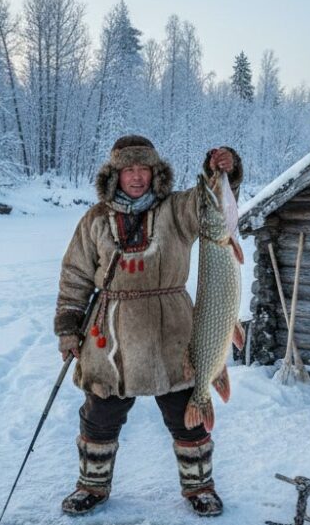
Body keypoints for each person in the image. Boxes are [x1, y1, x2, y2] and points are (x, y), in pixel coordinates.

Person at [53, 135, 241, 517]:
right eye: (128, 170)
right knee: (99, 415)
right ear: (115, 174)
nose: (136, 177)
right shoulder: (94, 220)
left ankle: (199, 486)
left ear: (155, 173)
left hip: (171, 328)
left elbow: (212, 204)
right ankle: (92, 485)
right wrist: (68, 329)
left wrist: (223, 168)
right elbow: (74, 276)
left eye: (144, 169)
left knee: (185, 411)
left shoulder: (175, 210)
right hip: (111, 335)